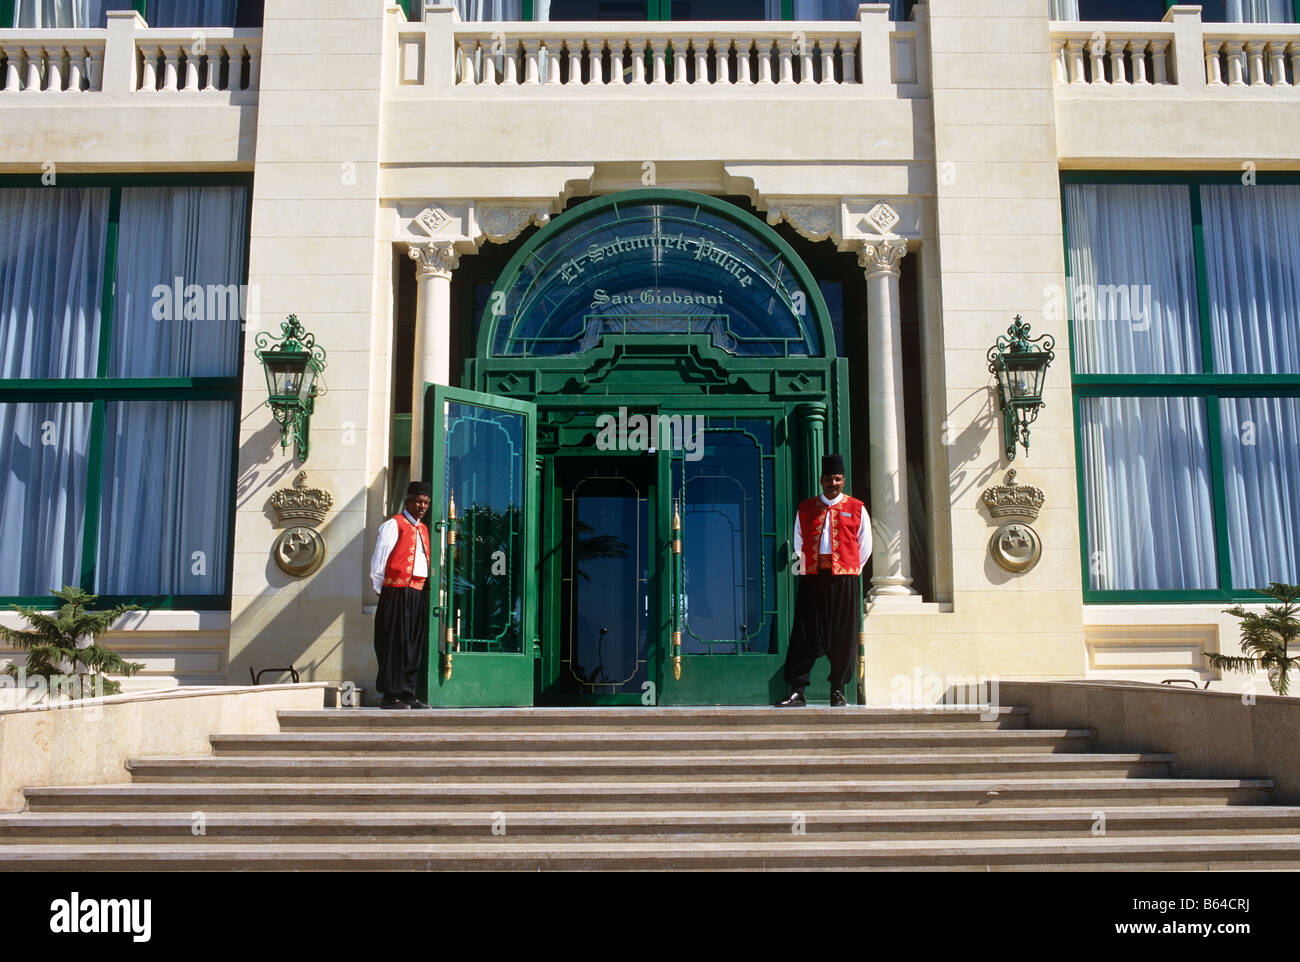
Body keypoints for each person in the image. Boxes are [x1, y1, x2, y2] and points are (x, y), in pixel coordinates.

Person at [775, 453, 871, 708]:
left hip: (845, 580)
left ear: (843, 480)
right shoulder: (806, 508)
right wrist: (807, 568)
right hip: (813, 578)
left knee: (843, 635)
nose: (833, 484)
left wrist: (852, 570)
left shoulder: (857, 508)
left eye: (837, 479)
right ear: (821, 480)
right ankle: (797, 690)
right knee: (804, 634)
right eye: (829, 479)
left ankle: (837, 690)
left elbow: (865, 546)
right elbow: (798, 541)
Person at [370, 481, 434, 709]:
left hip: (417, 591)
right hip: (396, 590)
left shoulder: (424, 529)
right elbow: (379, 559)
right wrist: (383, 590)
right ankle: (390, 695)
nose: (422, 506)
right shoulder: (393, 524)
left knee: (413, 644)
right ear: (408, 501)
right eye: (418, 501)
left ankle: (408, 692)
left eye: (426, 502)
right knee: (395, 643)